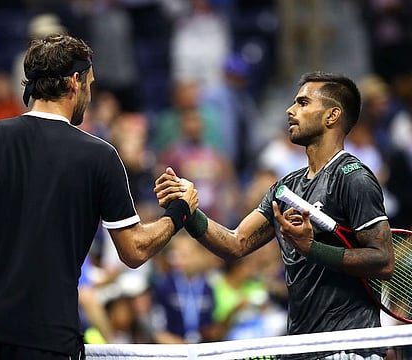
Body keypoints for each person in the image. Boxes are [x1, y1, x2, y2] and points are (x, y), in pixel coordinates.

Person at [0, 33, 198, 360]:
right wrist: (179, 213)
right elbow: (134, 249)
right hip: (49, 338)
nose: (90, 93)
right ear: (75, 82)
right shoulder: (99, 156)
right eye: (90, 84)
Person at [155, 71, 395, 360]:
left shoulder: (352, 177)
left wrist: (312, 248)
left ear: (332, 116)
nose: (290, 110)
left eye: (303, 103)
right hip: (300, 349)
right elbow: (236, 243)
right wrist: (188, 212)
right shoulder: (285, 188)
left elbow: (384, 261)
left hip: (348, 348)